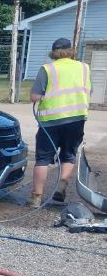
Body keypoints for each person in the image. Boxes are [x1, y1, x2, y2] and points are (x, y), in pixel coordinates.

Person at [29, 37, 92, 207]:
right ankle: (61, 186)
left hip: (50, 121)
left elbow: (34, 96)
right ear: (71, 51)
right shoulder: (84, 68)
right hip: (76, 119)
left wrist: (43, 96)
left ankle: (36, 198)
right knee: (69, 155)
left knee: (42, 159)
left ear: (53, 53)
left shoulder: (47, 69)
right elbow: (88, 91)